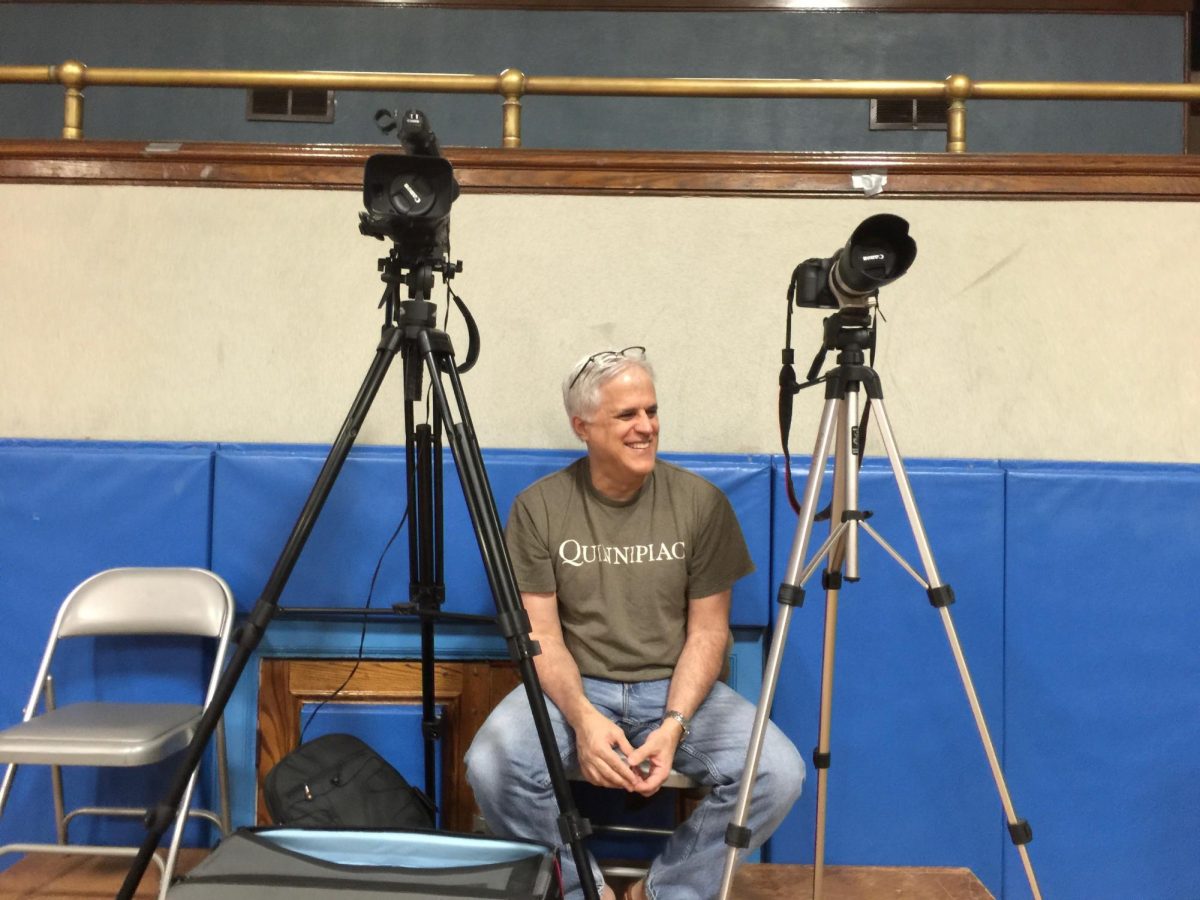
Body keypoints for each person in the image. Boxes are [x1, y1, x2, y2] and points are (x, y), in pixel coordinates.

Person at [465, 346, 803, 900]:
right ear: (582, 427)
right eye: (627, 415)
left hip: (675, 688)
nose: (646, 427)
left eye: (651, 411)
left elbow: (709, 633)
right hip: (574, 687)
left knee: (778, 774)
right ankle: (580, 891)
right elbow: (541, 637)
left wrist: (673, 725)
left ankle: (663, 891)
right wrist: (583, 719)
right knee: (491, 766)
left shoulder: (701, 504)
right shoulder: (539, 508)